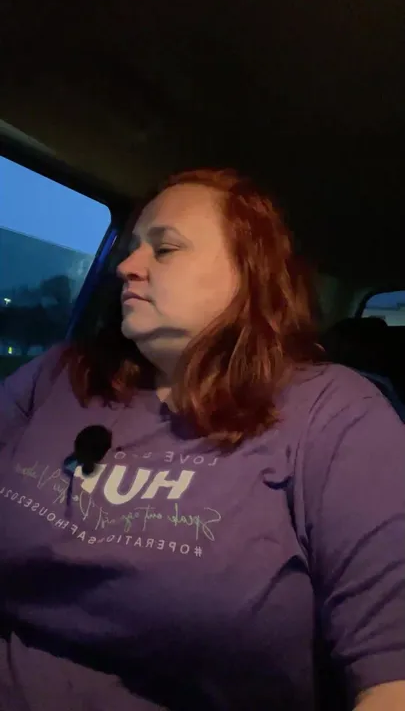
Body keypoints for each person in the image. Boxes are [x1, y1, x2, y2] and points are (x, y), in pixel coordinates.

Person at [0, 169, 404, 711]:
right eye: (131, 248)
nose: (126, 267)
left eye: (164, 249)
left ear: (249, 272)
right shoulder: (59, 376)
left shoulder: (335, 413)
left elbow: (393, 676)